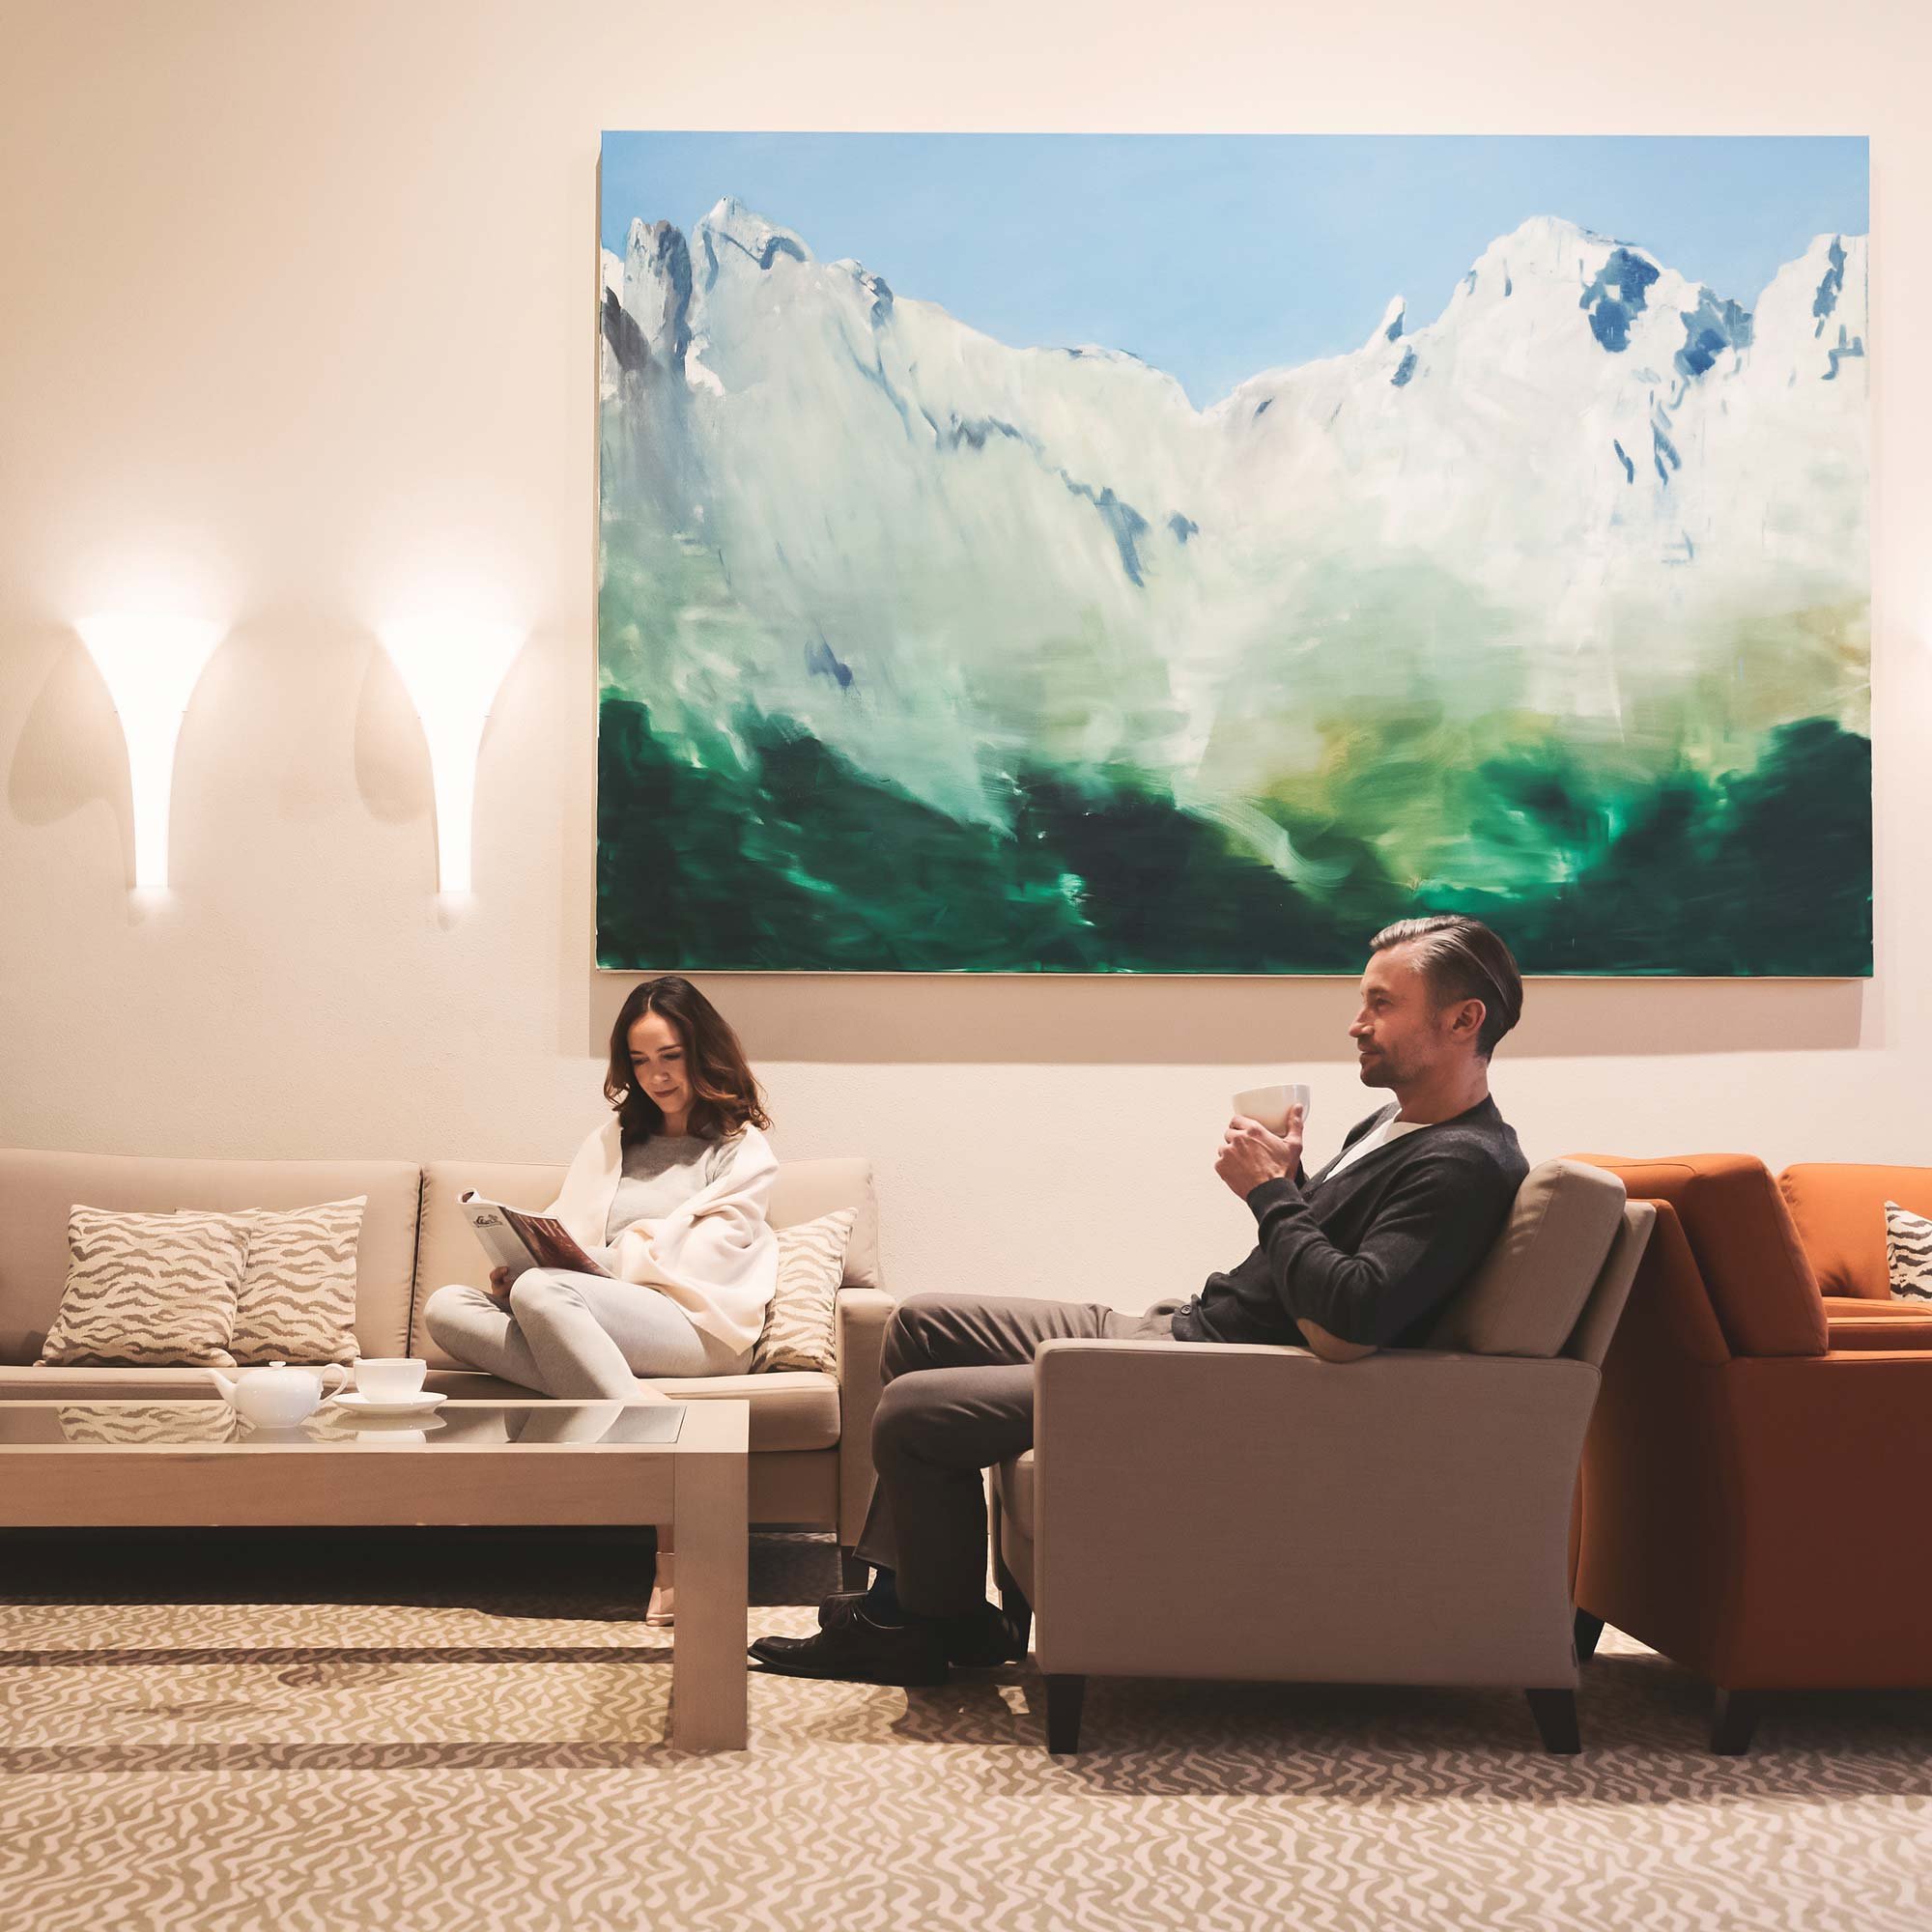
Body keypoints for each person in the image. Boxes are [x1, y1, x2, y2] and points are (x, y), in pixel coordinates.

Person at [751, 915, 1529, 1686]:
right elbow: (1328, 1256)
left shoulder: (1461, 1165)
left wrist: (1270, 1194)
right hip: (1188, 1327)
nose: (1357, 1023)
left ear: (1464, 1020)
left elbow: (1355, 1310)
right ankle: (926, 1612)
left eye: (1382, 1004)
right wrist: (1292, 1184)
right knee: (922, 1324)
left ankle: (911, 1625)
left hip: (1215, 1372)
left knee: (912, 1415)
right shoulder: (1391, 1123)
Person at [425, 975, 777, 1625]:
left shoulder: (741, 1149)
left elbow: (707, 1258)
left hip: (695, 1324)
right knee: (447, 1306)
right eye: (639, 1061)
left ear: (703, 1052)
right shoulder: (614, 1140)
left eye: (671, 1056)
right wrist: (520, 1264)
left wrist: (577, 1272)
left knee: (544, 1289)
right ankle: (646, 1412)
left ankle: (673, 1540)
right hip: (592, 1312)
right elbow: (567, 1226)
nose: (656, 1076)